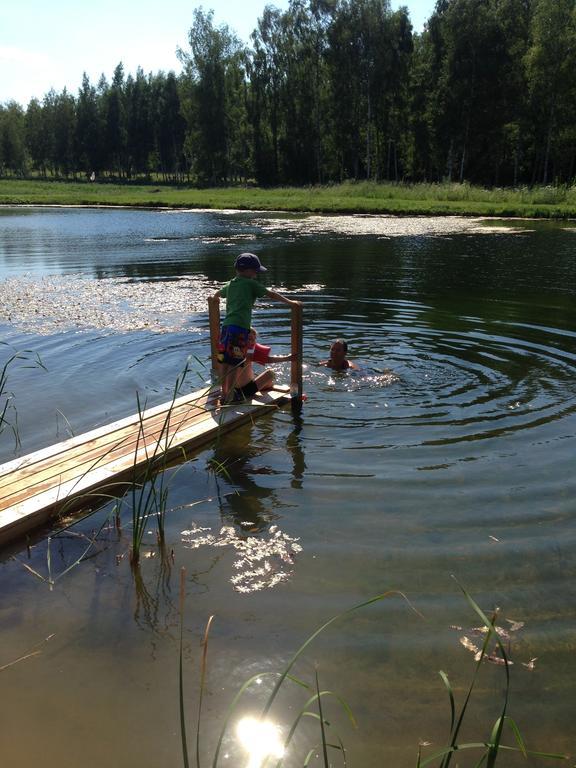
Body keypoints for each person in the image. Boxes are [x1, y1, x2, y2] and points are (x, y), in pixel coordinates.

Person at [212, 253, 299, 401]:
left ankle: (224, 393)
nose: (256, 275)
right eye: (255, 271)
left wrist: (213, 298)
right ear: (247, 270)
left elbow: (217, 294)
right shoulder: (250, 283)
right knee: (234, 363)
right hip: (239, 328)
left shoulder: (231, 283)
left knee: (225, 361)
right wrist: (290, 302)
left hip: (226, 327)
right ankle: (230, 396)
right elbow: (271, 294)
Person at [233, 328, 295, 401]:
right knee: (270, 373)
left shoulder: (235, 351)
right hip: (245, 391)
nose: (252, 342)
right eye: (249, 339)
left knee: (265, 381)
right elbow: (267, 359)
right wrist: (287, 358)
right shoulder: (248, 354)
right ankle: (263, 386)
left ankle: (265, 385)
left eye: (254, 339)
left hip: (235, 388)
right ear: (243, 340)